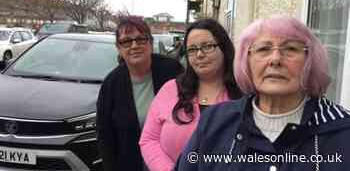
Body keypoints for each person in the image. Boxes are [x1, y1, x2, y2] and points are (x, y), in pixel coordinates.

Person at [175, 15, 350, 170]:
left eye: (290, 49)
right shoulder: (215, 121)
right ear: (247, 62)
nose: (275, 60)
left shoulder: (341, 131)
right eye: (263, 49)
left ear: (310, 61)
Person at [139, 19, 242, 171]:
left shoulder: (243, 94)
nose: (199, 54)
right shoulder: (170, 90)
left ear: (224, 49)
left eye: (207, 46)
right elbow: (148, 139)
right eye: (192, 49)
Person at [96, 15, 183, 171]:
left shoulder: (172, 71)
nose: (134, 45)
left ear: (150, 43)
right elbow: (105, 136)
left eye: (141, 39)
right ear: (119, 48)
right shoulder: (111, 84)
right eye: (127, 41)